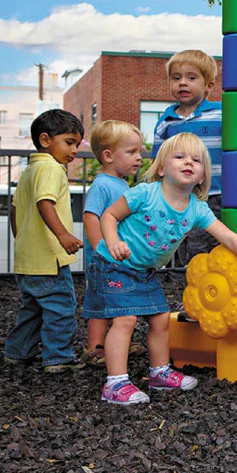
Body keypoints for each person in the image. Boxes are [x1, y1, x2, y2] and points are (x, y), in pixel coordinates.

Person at [91, 132, 237, 405]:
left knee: (161, 319)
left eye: (197, 160)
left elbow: (230, 237)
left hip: (145, 271)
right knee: (125, 320)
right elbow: (109, 215)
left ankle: (159, 372)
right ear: (162, 168)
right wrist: (113, 241)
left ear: (202, 176)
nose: (189, 162)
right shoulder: (145, 193)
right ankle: (115, 384)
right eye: (180, 157)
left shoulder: (197, 210)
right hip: (114, 264)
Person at [3, 109, 86, 373]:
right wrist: (62, 234)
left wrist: (24, 241)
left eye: (77, 144)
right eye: (69, 142)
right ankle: (58, 357)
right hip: (50, 259)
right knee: (61, 307)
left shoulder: (30, 170)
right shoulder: (51, 168)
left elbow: (15, 210)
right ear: (46, 140)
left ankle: (17, 352)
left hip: (28, 259)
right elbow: (44, 202)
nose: (74, 150)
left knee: (33, 309)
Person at [79, 120, 149, 367]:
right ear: (108, 156)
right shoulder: (102, 185)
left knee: (118, 300)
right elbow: (91, 217)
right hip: (104, 259)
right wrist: (101, 249)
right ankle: (95, 348)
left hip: (117, 257)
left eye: (139, 151)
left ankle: (118, 342)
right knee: (99, 302)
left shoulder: (120, 183)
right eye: (131, 152)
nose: (138, 158)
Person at [152, 49, 223, 264]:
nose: (183, 83)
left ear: (209, 85)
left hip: (216, 194)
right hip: (180, 197)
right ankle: (188, 286)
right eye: (176, 78)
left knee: (209, 246)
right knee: (183, 246)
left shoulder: (221, 113)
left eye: (191, 78)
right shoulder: (166, 122)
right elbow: (158, 163)